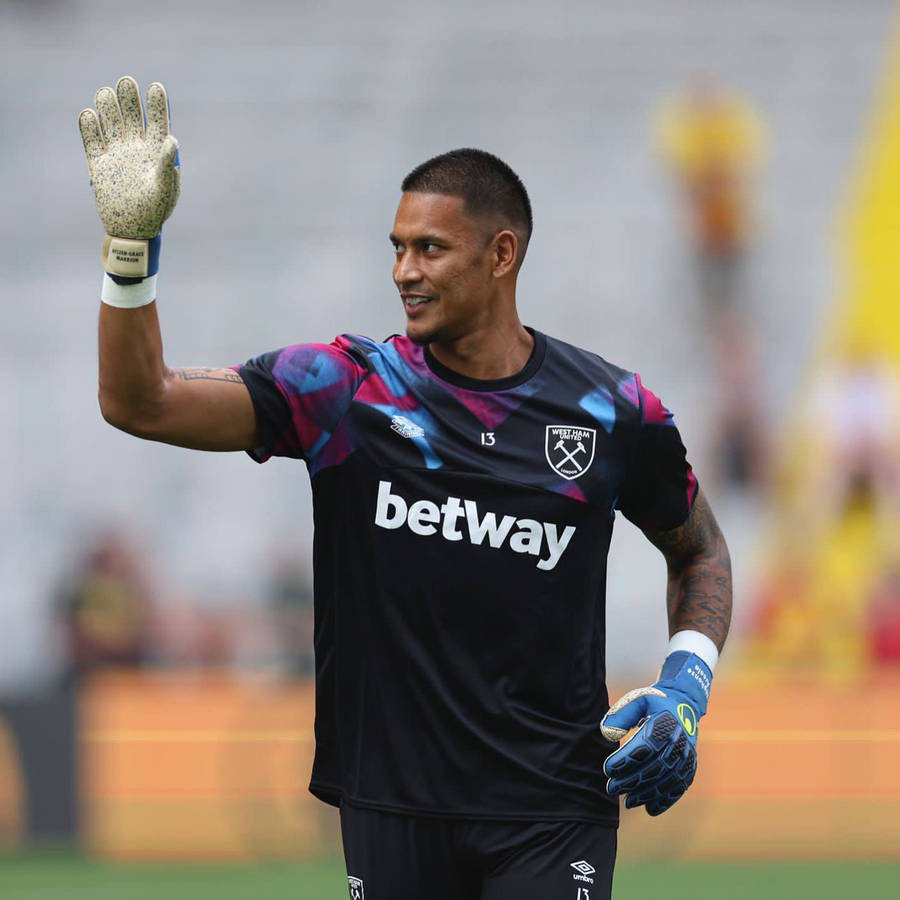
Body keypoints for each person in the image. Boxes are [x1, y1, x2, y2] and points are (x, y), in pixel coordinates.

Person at [78, 77, 732, 899]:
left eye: (430, 248)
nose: (404, 271)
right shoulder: (344, 389)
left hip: (553, 802)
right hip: (392, 803)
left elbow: (698, 546)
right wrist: (129, 254)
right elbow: (141, 401)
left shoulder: (611, 411)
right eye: (396, 247)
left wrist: (684, 685)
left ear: (502, 255)